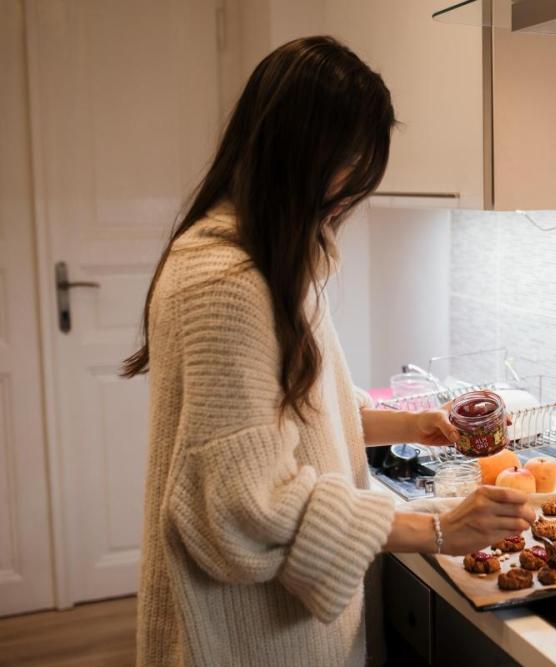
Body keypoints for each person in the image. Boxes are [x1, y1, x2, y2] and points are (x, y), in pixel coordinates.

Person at [122, 36, 533, 666]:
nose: (353, 195)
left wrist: (416, 425)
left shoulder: (268, 260)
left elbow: (290, 416)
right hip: (243, 640)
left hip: (278, 628)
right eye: (351, 168)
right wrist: (437, 529)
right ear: (298, 154)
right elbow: (248, 502)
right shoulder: (226, 284)